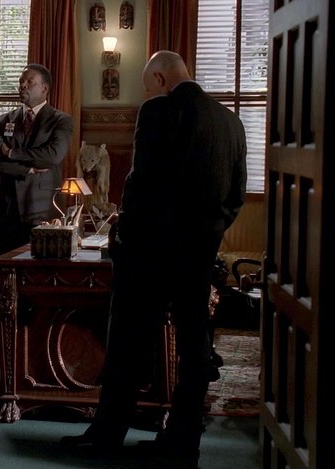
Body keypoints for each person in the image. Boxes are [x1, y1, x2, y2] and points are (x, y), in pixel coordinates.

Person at [62, 50, 247, 466]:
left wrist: (124, 234)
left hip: (149, 254)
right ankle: (182, 443)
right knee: (195, 351)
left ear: (161, 80)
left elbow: (140, 182)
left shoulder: (158, 111)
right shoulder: (230, 121)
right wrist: (210, 233)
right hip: (198, 254)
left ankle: (107, 436)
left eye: (148, 87)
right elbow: (236, 194)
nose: (148, 94)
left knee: (127, 345)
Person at [0, 63, 75, 256]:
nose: (22, 85)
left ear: (44, 88)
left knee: (40, 267)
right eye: (21, 81)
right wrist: (28, 169)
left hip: (41, 209)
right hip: (6, 209)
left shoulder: (60, 120)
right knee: (4, 265)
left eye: (29, 82)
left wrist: (12, 154)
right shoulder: (3, 121)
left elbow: (52, 156)